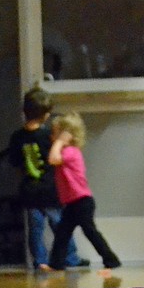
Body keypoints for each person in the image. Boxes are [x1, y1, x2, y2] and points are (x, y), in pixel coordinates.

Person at [7, 87, 85, 272]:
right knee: (61, 224)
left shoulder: (17, 137)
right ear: (45, 115)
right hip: (52, 188)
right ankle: (70, 257)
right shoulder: (49, 136)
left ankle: (40, 261)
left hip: (30, 189)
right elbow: (59, 158)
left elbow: (16, 164)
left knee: (36, 228)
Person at [46, 112, 122, 278]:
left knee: (90, 231)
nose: (52, 136)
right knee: (63, 232)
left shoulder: (70, 152)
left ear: (67, 136)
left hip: (82, 201)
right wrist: (59, 141)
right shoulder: (67, 152)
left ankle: (111, 261)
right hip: (72, 202)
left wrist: (59, 142)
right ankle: (56, 264)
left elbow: (52, 159)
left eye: (56, 133)